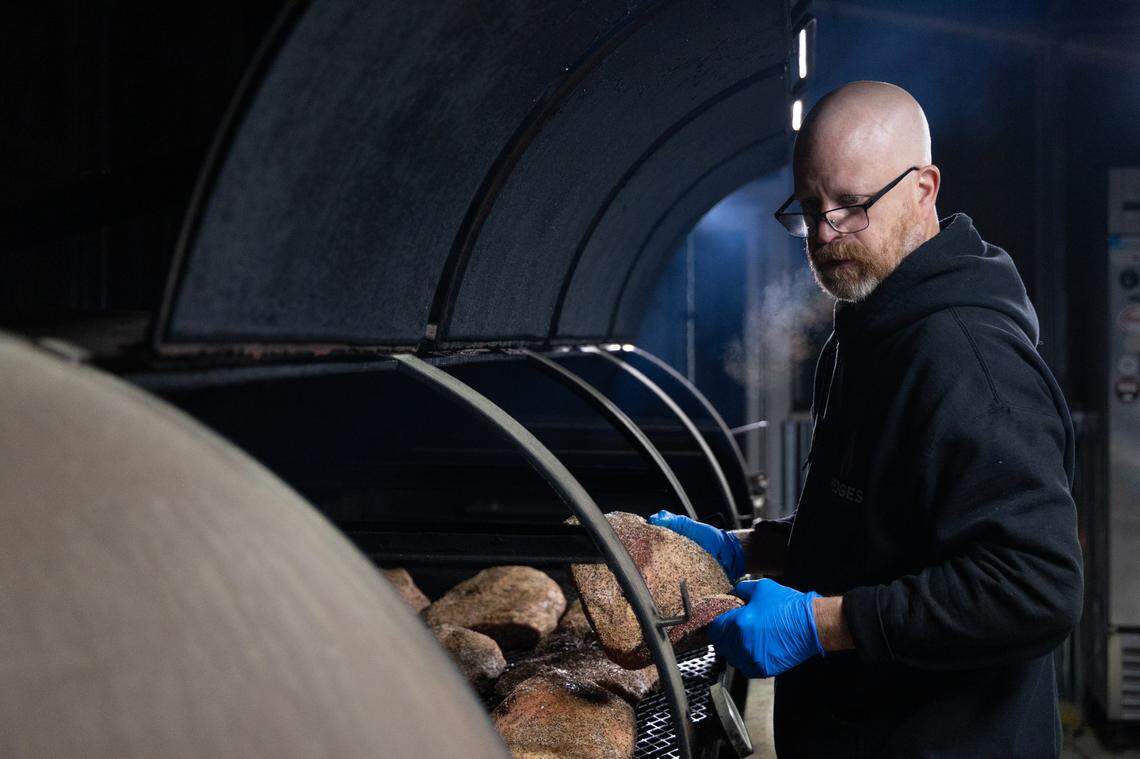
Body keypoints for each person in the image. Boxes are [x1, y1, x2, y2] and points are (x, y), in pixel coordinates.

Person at [651, 81, 1083, 758]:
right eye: (809, 207)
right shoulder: (866, 333)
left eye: (851, 207)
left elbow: (1036, 585)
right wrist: (748, 546)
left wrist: (820, 623)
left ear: (924, 188)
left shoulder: (966, 358)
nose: (824, 233)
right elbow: (883, 531)